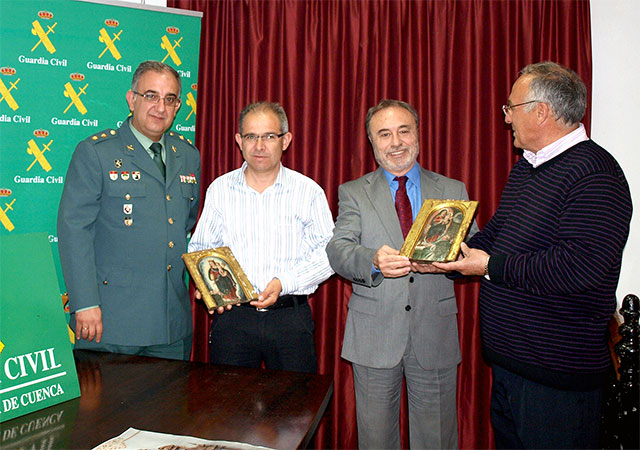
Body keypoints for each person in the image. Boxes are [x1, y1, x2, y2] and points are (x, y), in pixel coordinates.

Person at [434, 61, 632, 449]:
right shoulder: (528, 168)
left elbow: (580, 266)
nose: (506, 118)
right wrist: (448, 259)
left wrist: (488, 266)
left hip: (557, 381)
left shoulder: (595, 173)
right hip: (514, 367)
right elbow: (497, 235)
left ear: (541, 111)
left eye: (511, 107)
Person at [326, 99, 476, 449]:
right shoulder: (353, 192)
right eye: (385, 134)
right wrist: (373, 260)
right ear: (372, 142)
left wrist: (450, 262)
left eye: (404, 131)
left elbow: (472, 253)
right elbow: (339, 250)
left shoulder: (453, 191)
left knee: (437, 440)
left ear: (418, 135)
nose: (396, 142)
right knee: (376, 441)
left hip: (434, 334)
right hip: (374, 337)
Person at [57, 60, 201, 360]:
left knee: (170, 408)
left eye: (170, 99)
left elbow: (185, 223)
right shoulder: (97, 152)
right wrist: (84, 304)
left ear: (178, 107)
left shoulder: (188, 156)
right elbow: (73, 231)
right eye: (151, 95)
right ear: (131, 99)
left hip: (170, 323)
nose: (160, 107)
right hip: (110, 322)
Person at [187, 101, 334, 373]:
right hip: (233, 320)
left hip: (289, 318)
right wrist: (207, 283)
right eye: (251, 136)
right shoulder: (220, 189)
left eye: (269, 136)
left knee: (295, 410)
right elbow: (201, 247)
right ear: (238, 141)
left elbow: (327, 254)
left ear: (286, 140)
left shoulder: (308, 191)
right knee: (228, 408)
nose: (259, 145)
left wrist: (284, 282)